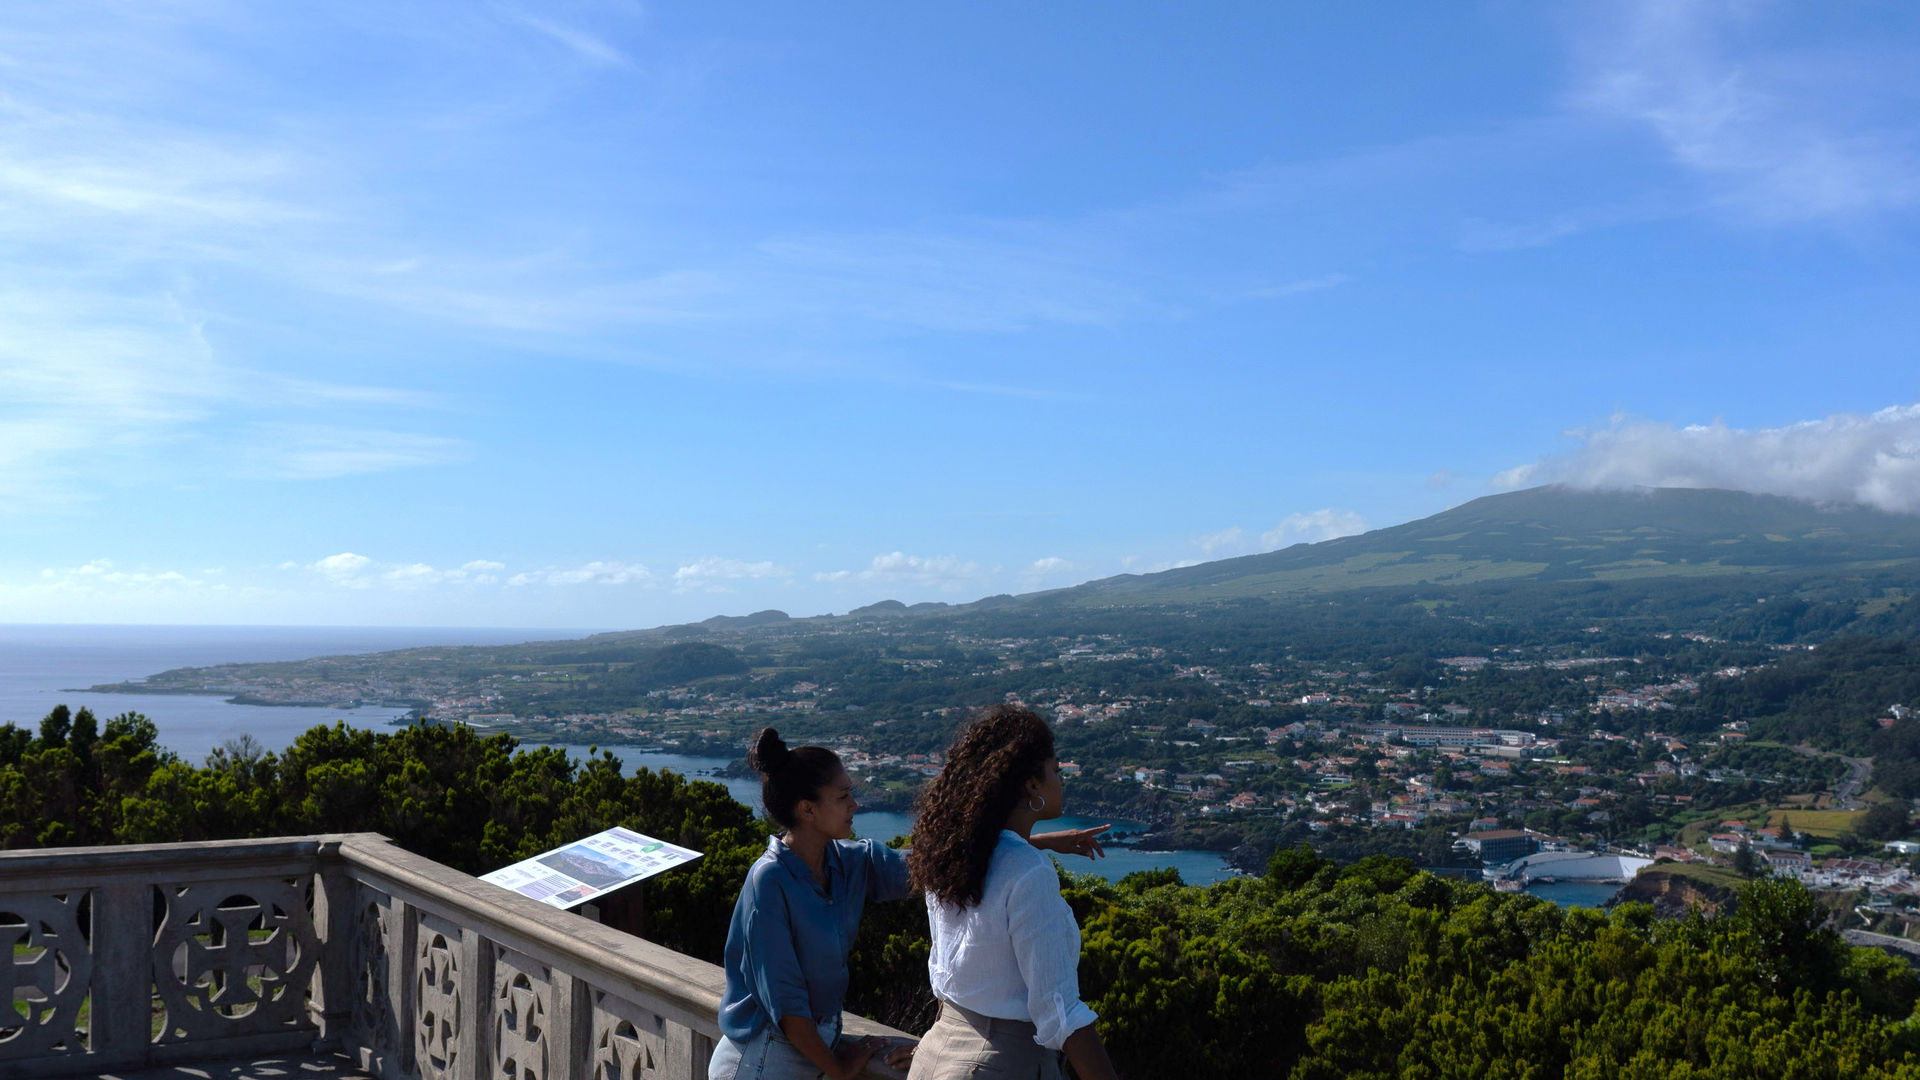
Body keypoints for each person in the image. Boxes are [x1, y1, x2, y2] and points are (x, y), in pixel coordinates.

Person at [713, 726, 1110, 1080]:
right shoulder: (769, 882)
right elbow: (786, 1006)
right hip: (764, 1059)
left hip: (814, 1049)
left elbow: (936, 862)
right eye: (844, 795)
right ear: (807, 809)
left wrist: (1037, 841)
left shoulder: (848, 863)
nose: (855, 804)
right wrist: (838, 1068)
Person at [905, 706, 1121, 1080]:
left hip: (935, 1054)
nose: (1060, 778)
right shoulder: (1028, 871)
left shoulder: (949, 857)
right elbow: (1060, 1012)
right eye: (1055, 769)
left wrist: (1043, 843)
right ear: (1031, 785)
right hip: (1000, 1064)